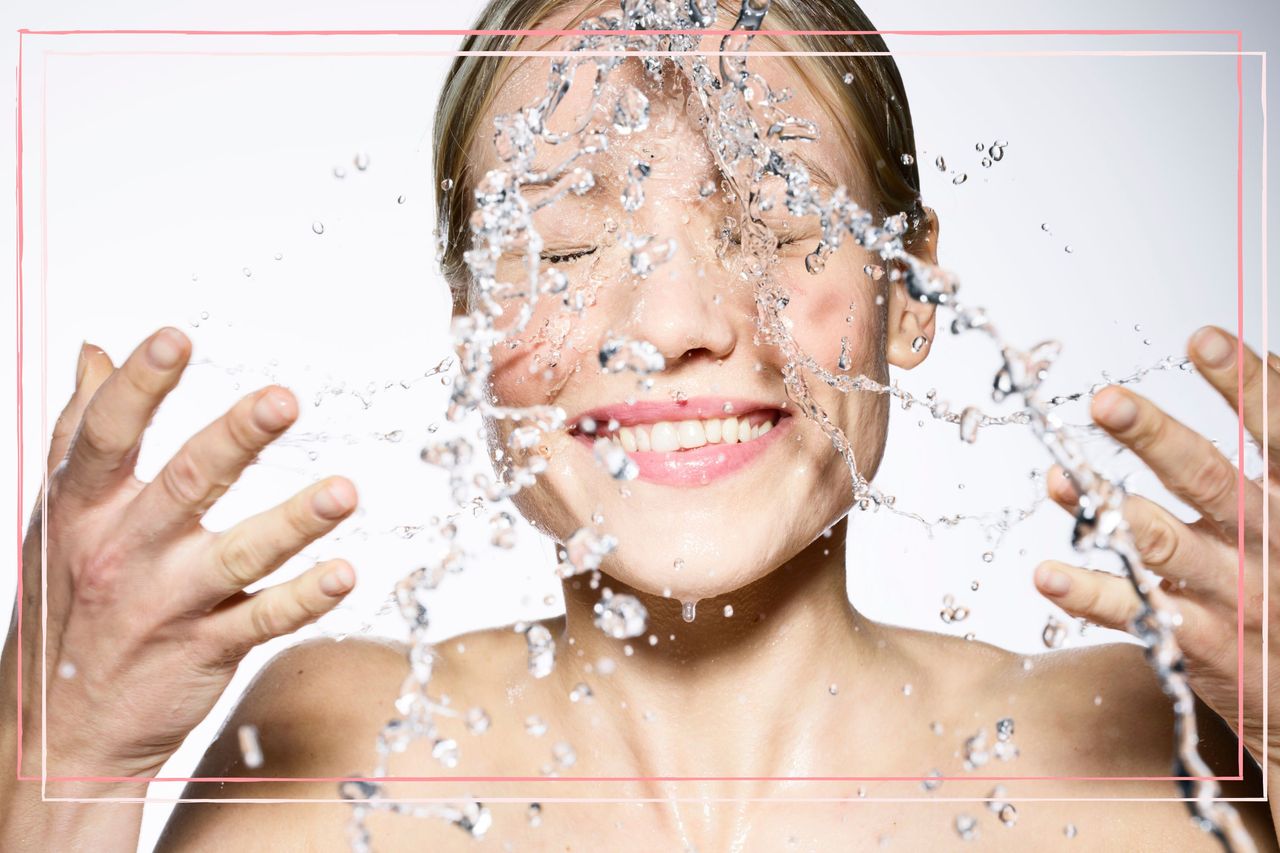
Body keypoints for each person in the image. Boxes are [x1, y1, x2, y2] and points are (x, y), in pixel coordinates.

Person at [3, 0, 1277, 849]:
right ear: (466, 316)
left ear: (909, 290)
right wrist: (61, 772)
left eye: (773, 222)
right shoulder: (328, 758)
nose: (669, 320)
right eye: (557, 242)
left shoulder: (1152, 765)